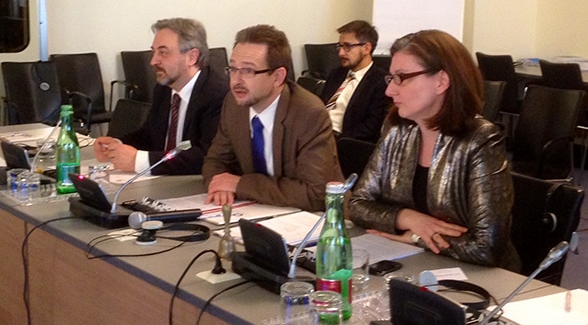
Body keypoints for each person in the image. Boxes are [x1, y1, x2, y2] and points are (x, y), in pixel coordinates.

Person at [349, 29, 520, 270]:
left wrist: (417, 239)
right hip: (414, 265)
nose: (390, 90)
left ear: (441, 81)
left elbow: (487, 247)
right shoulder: (397, 128)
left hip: (477, 277)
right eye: (391, 78)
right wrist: (407, 218)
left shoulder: (480, 139)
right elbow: (358, 204)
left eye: (401, 77)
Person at [202, 24, 343, 212]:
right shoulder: (234, 104)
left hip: (309, 221)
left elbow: (316, 194)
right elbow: (215, 161)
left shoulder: (309, 114)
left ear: (278, 77)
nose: (236, 81)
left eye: (248, 71)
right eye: (233, 69)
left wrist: (240, 184)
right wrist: (219, 186)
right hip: (252, 212)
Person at [93, 18, 229, 175]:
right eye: (154, 52)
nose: (153, 61)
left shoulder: (217, 95)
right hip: (166, 181)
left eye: (163, 52)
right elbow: (150, 135)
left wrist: (138, 161)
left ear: (192, 57)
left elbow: (206, 157)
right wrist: (116, 145)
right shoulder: (164, 89)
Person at [320, 20, 391, 143]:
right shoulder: (336, 74)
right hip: (318, 134)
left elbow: (371, 127)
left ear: (366, 48)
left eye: (347, 46)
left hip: (343, 142)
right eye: (340, 46)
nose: (341, 53)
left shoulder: (380, 82)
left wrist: (337, 139)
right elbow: (319, 106)